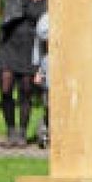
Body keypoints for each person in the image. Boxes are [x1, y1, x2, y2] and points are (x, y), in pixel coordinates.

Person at [0, 0, 47, 148]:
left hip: (30, 49)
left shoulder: (47, 0)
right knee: (6, 88)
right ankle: (10, 131)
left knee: (26, 91)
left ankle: (22, 134)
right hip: (9, 44)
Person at [32, 11, 50, 149]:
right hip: (48, 68)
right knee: (49, 105)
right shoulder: (45, 18)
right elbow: (41, 37)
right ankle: (44, 133)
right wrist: (38, 70)